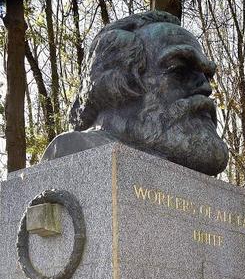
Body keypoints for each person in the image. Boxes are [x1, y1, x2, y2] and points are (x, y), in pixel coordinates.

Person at [41, 10, 228, 176]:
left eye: (206, 75)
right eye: (179, 69)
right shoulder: (74, 151)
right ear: (118, 84)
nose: (206, 87)